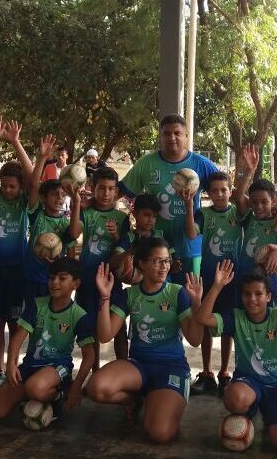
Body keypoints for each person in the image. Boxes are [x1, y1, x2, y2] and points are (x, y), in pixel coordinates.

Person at [194, 261, 277, 455]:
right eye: (247, 294)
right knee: (235, 399)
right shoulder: (236, 317)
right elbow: (203, 318)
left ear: (269, 296)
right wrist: (217, 286)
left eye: (258, 294)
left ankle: (268, 413)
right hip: (249, 383)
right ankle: (251, 408)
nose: (252, 299)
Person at [88, 237, 203, 444]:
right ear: (141, 263)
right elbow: (105, 335)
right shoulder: (129, 295)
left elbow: (194, 340)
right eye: (157, 261)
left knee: (160, 433)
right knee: (96, 387)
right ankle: (134, 399)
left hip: (171, 367)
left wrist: (196, 304)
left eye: (166, 261)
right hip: (139, 366)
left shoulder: (176, 293)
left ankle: (160, 398)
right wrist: (104, 296)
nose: (164, 266)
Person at [0, 257, 96, 423]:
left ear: (75, 284)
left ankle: (57, 395)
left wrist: (77, 387)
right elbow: (17, 338)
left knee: (35, 388)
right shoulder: (36, 305)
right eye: (51, 277)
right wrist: (12, 365)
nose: (55, 282)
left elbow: (89, 355)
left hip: (58, 368)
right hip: (29, 367)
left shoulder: (79, 315)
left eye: (62, 278)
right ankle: (30, 395)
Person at [119, 115, 220, 285]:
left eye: (177, 133)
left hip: (190, 249)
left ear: (186, 136)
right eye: (166, 134)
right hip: (155, 252)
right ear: (160, 137)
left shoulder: (201, 164)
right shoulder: (146, 163)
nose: (172, 138)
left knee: (190, 301)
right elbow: (120, 191)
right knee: (159, 303)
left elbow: (226, 194)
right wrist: (89, 203)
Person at [0, 116, 34, 392]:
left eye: (13, 185)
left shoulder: (25, 201)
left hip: (17, 271)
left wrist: (16, 142)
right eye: (5, 184)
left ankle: (13, 366)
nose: (8, 189)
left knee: (15, 322)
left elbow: (32, 176)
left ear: (20, 187)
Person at [190, 171, 244, 395]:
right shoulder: (202, 214)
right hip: (209, 277)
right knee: (205, 324)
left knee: (227, 327)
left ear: (230, 192)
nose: (219, 194)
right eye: (214, 190)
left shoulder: (239, 213)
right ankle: (206, 372)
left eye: (224, 190)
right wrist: (187, 206)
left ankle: (224, 373)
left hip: (232, 278)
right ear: (208, 193)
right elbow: (191, 233)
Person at [76, 166, 129, 366]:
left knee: (119, 326)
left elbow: (124, 249)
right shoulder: (86, 212)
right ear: (93, 188)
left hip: (112, 280)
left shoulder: (122, 219)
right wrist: (77, 206)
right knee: (91, 329)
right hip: (87, 279)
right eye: (101, 188)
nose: (106, 193)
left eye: (110, 189)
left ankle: (123, 366)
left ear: (116, 191)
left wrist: (116, 234)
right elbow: (74, 233)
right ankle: (95, 369)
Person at [108, 193, 168, 362]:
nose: (150, 220)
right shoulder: (128, 238)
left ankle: (155, 359)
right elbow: (113, 263)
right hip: (134, 292)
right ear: (134, 214)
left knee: (153, 326)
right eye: (146, 215)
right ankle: (123, 362)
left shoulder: (159, 237)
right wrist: (130, 252)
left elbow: (169, 261)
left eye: (154, 216)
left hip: (156, 291)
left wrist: (174, 265)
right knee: (121, 326)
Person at [23, 135, 83, 300]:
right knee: (29, 319)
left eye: (63, 195)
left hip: (54, 282)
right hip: (31, 277)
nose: (59, 198)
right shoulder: (37, 215)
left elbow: (73, 240)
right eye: (54, 194)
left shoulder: (66, 222)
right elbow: (34, 185)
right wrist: (42, 158)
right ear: (43, 198)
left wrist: (76, 202)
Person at [234, 144, 277, 307]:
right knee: (241, 319)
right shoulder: (248, 217)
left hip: (268, 281)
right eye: (254, 202)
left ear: (274, 200)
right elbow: (238, 196)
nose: (258, 206)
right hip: (244, 276)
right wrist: (249, 170)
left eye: (264, 202)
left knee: (270, 321)